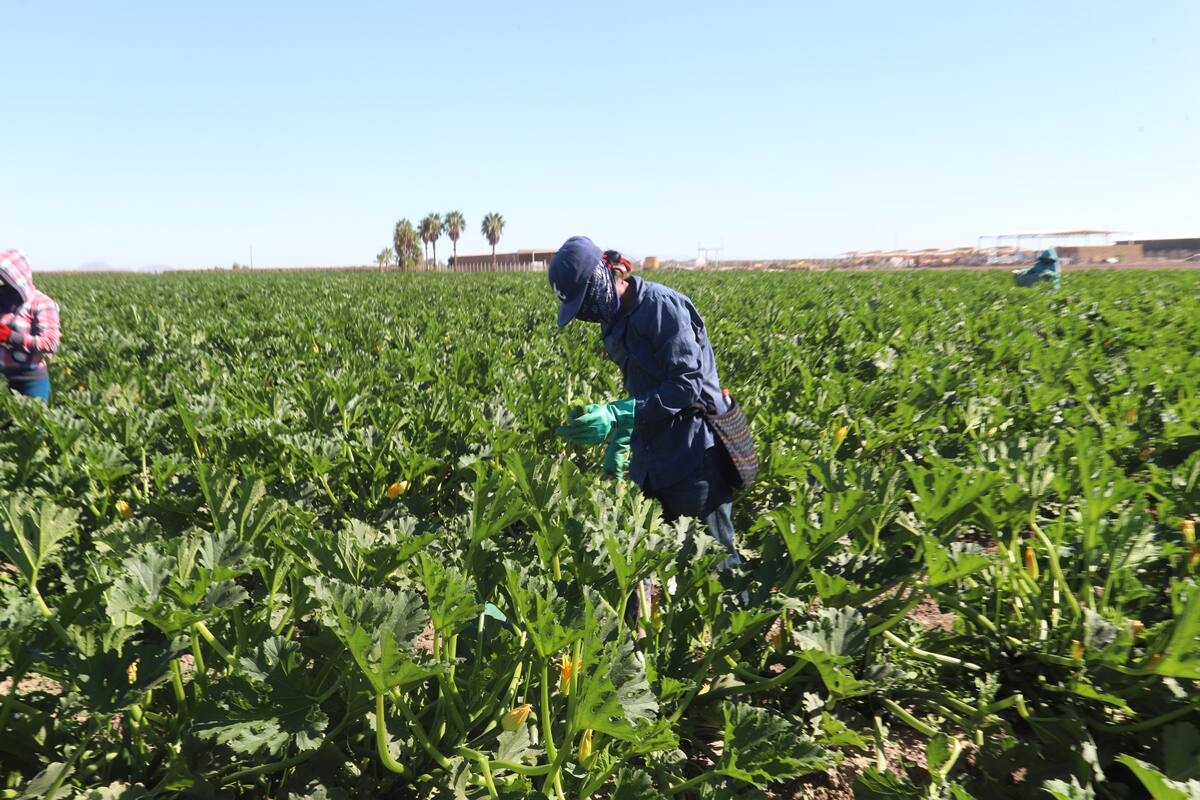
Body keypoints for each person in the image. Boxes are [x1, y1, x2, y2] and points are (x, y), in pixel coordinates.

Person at [549, 235, 743, 574]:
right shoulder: (613, 320)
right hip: (652, 458)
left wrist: (618, 414)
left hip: (695, 456)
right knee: (640, 566)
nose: (586, 314)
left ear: (603, 275)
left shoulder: (660, 306)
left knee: (715, 569)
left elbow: (686, 383)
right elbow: (642, 387)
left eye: (585, 302)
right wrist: (621, 439)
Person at [1, 249, 61, 402]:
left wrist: (10, 337)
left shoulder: (42, 303)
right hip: (2, 379)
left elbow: (50, 343)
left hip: (31, 380)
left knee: (33, 425)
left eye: (6, 279)